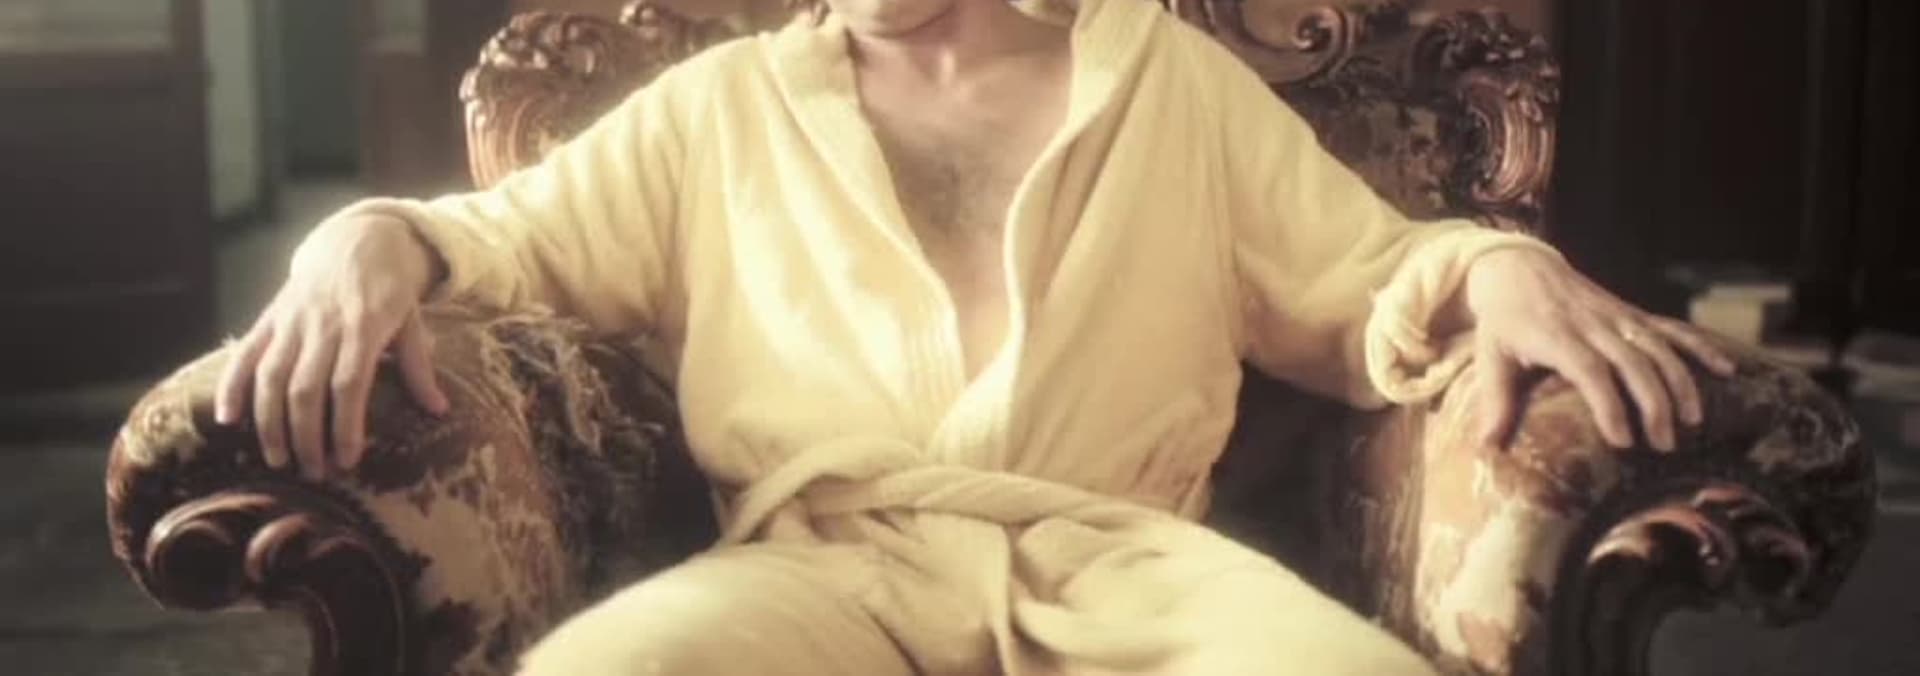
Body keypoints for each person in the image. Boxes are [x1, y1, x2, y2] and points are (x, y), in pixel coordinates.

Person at [214, 0, 1736, 673]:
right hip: (821, 567)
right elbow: (509, 235)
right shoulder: (721, 108)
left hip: (1128, 566)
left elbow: (1367, 272)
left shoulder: (1169, 83)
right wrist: (360, 241)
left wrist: (1498, 270)